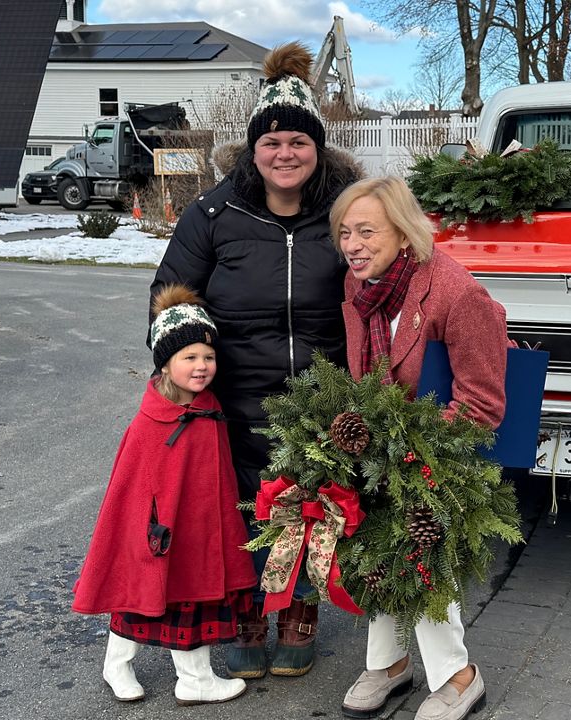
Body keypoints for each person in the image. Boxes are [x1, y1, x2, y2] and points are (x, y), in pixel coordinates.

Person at [150, 41, 362, 679]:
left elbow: (391, 274)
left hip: (327, 392)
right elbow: (170, 297)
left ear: (317, 147)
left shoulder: (350, 208)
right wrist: (181, 369)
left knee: (315, 501)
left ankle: (300, 612)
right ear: (252, 150)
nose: (285, 154)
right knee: (240, 505)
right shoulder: (214, 213)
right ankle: (245, 612)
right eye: (271, 144)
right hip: (234, 394)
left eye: (298, 142)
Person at [331, 176, 506, 720]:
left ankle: (460, 677)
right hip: (383, 448)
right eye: (344, 232)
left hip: (441, 452)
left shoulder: (457, 293)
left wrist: (409, 451)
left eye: (366, 231)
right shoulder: (359, 285)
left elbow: (482, 403)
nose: (352, 245)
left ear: (404, 234)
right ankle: (389, 664)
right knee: (374, 546)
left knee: (421, 548)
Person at [72, 285, 257, 706]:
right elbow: (131, 489)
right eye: (189, 358)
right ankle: (121, 666)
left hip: (199, 531)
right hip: (161, 532)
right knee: (141, 595)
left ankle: (191, 679)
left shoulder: (207, 408)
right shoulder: (153, 422)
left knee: (186, 598)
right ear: (165, 363)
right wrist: (149, 531)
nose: (202, 366)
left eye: (208, 357)